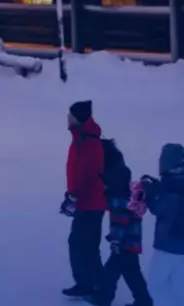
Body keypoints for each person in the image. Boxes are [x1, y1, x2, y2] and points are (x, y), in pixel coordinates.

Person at [90, 139, 153, 306]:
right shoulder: (119, 170)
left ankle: (104, 299)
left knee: (117, 268)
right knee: (128, 269)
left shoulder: (114, 178)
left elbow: (120, 214)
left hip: (125, 238)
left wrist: (116, 239)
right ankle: (142, 300)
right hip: (131, 235)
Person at [64, 101, 109, 298]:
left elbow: (88, 174)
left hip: (89, 203)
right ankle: (98, 282)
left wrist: (74, 195)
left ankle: (87, 283)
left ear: (78, 118)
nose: (67, 118)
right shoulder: (82, 138)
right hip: (89, 201)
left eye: (70, 115)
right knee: (88, 244)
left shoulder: (88, 141)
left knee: (79, 243)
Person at [143, 144, 184, 306]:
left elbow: (159, 208)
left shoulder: (172, 185)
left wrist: (150, 192)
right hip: (180, 246)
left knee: (154, 284)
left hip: (169, 244)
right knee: (179, 285)